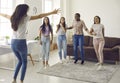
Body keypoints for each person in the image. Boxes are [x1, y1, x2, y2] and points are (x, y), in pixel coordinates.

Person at [0, 4, 59, 83]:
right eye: (27, 10)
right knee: (24, 62)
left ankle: (14, 79)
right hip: (21, 42)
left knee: (20, 61)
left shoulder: (12, 18)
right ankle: (21, 81)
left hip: (13, 42)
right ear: (24, 11)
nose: (27, 11)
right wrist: (52, 12)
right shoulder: (25, 18)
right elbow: (40, 16)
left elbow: (5, 15)